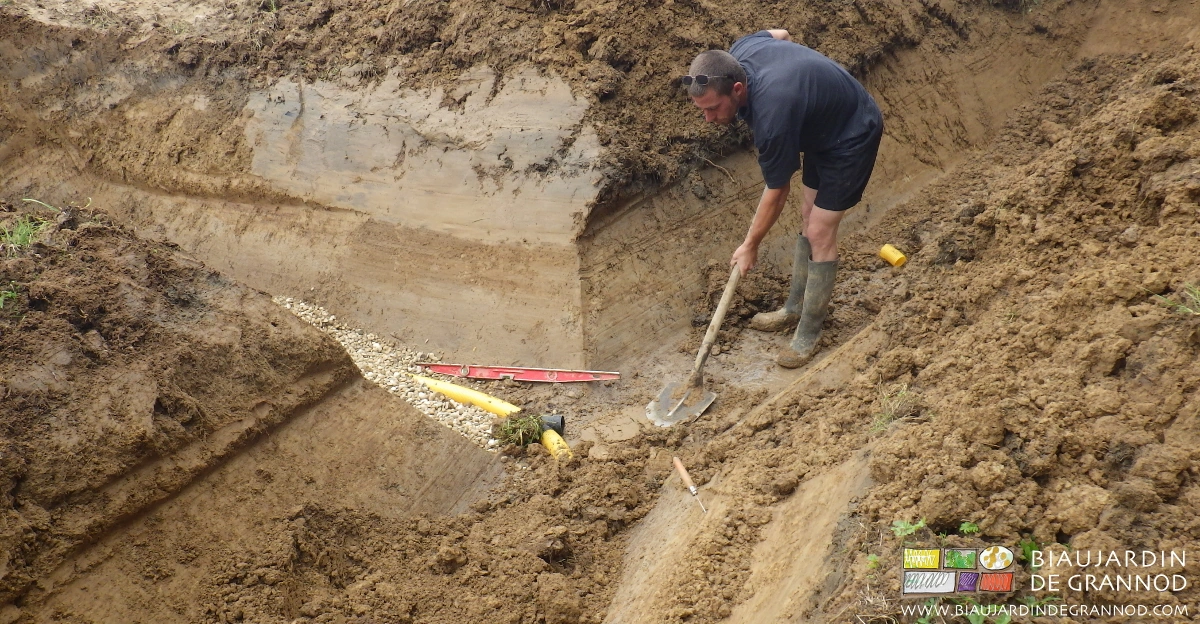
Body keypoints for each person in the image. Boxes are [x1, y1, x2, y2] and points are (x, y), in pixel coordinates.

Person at [684, 29, 883, 368]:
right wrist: (808, 87)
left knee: (819, 231)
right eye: (702, 110)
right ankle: (793, 308)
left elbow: (777, 192)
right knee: (808, 214)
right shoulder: (740, 52)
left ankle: (809, 331)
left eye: (714, 108)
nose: (709, 118)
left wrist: (750, 244)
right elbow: (781, 34)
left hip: (852, 133)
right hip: (821, 127)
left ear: (737, 88)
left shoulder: (773, 113)